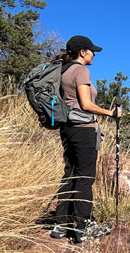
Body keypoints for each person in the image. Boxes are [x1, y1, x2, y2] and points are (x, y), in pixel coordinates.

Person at [50, 35, 122, 242]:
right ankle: (84, 227)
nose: (93, 55)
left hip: (67, 129)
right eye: (91, 51)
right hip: (83, 129)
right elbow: (86, 104)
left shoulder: (63, 70)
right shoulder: (81, 70)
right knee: (85, 177)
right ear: (82, 52)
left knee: (70, 174)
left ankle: (60, 225)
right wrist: (111, 113)